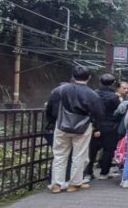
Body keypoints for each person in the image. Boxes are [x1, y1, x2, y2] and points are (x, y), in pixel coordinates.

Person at [45, 65, 105, 194]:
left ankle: (56, 184)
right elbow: (98, 113)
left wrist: (51, 121)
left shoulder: (60, 90)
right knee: (79, 155)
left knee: (59, 155)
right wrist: (96, 127)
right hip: (82, 128)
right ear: (89, 77)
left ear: (73, 76)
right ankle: (74, 183)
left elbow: (50, 107)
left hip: (61, 125)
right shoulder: (92, 94)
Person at [87, 74, 122, 180]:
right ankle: (104, 173)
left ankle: (88, 173)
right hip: (110, 126)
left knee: (92, 150)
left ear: (100, 82)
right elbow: (118, 112)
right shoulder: (114, 97)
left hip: (94, 126)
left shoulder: (93, 94)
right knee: (108, 150)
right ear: (112, 83)